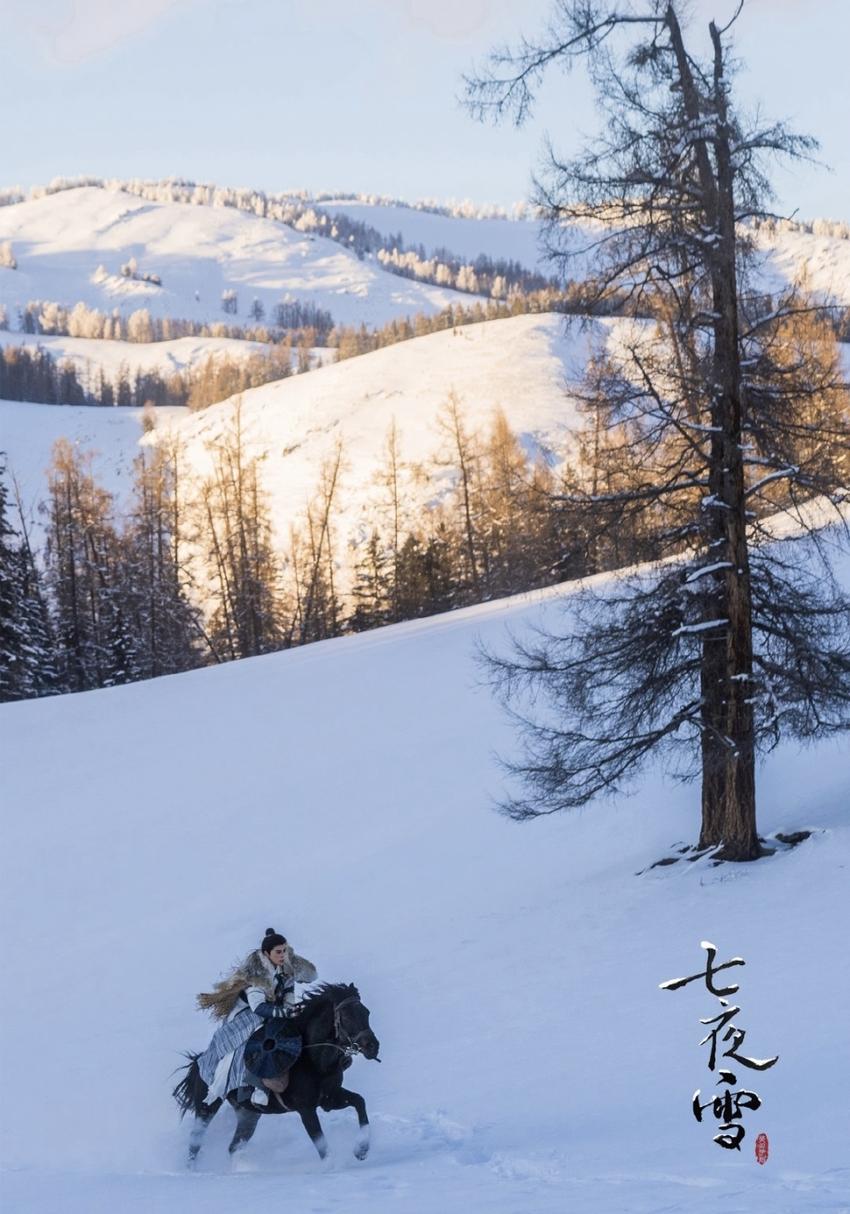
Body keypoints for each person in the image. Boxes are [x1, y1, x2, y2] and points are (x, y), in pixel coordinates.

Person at [196, 928, 317, 1109]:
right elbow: (258, 1008)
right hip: (247, 1016)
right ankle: (254, 1086)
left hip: (273, 1010)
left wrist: (291, 1009)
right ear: (267, 954)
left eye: (284, 950)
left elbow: (288, 993)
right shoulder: (256, 976)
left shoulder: (286, 969)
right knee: (257, 1039)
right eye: (278, 952)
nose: (283, 955)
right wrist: (284, 1013)